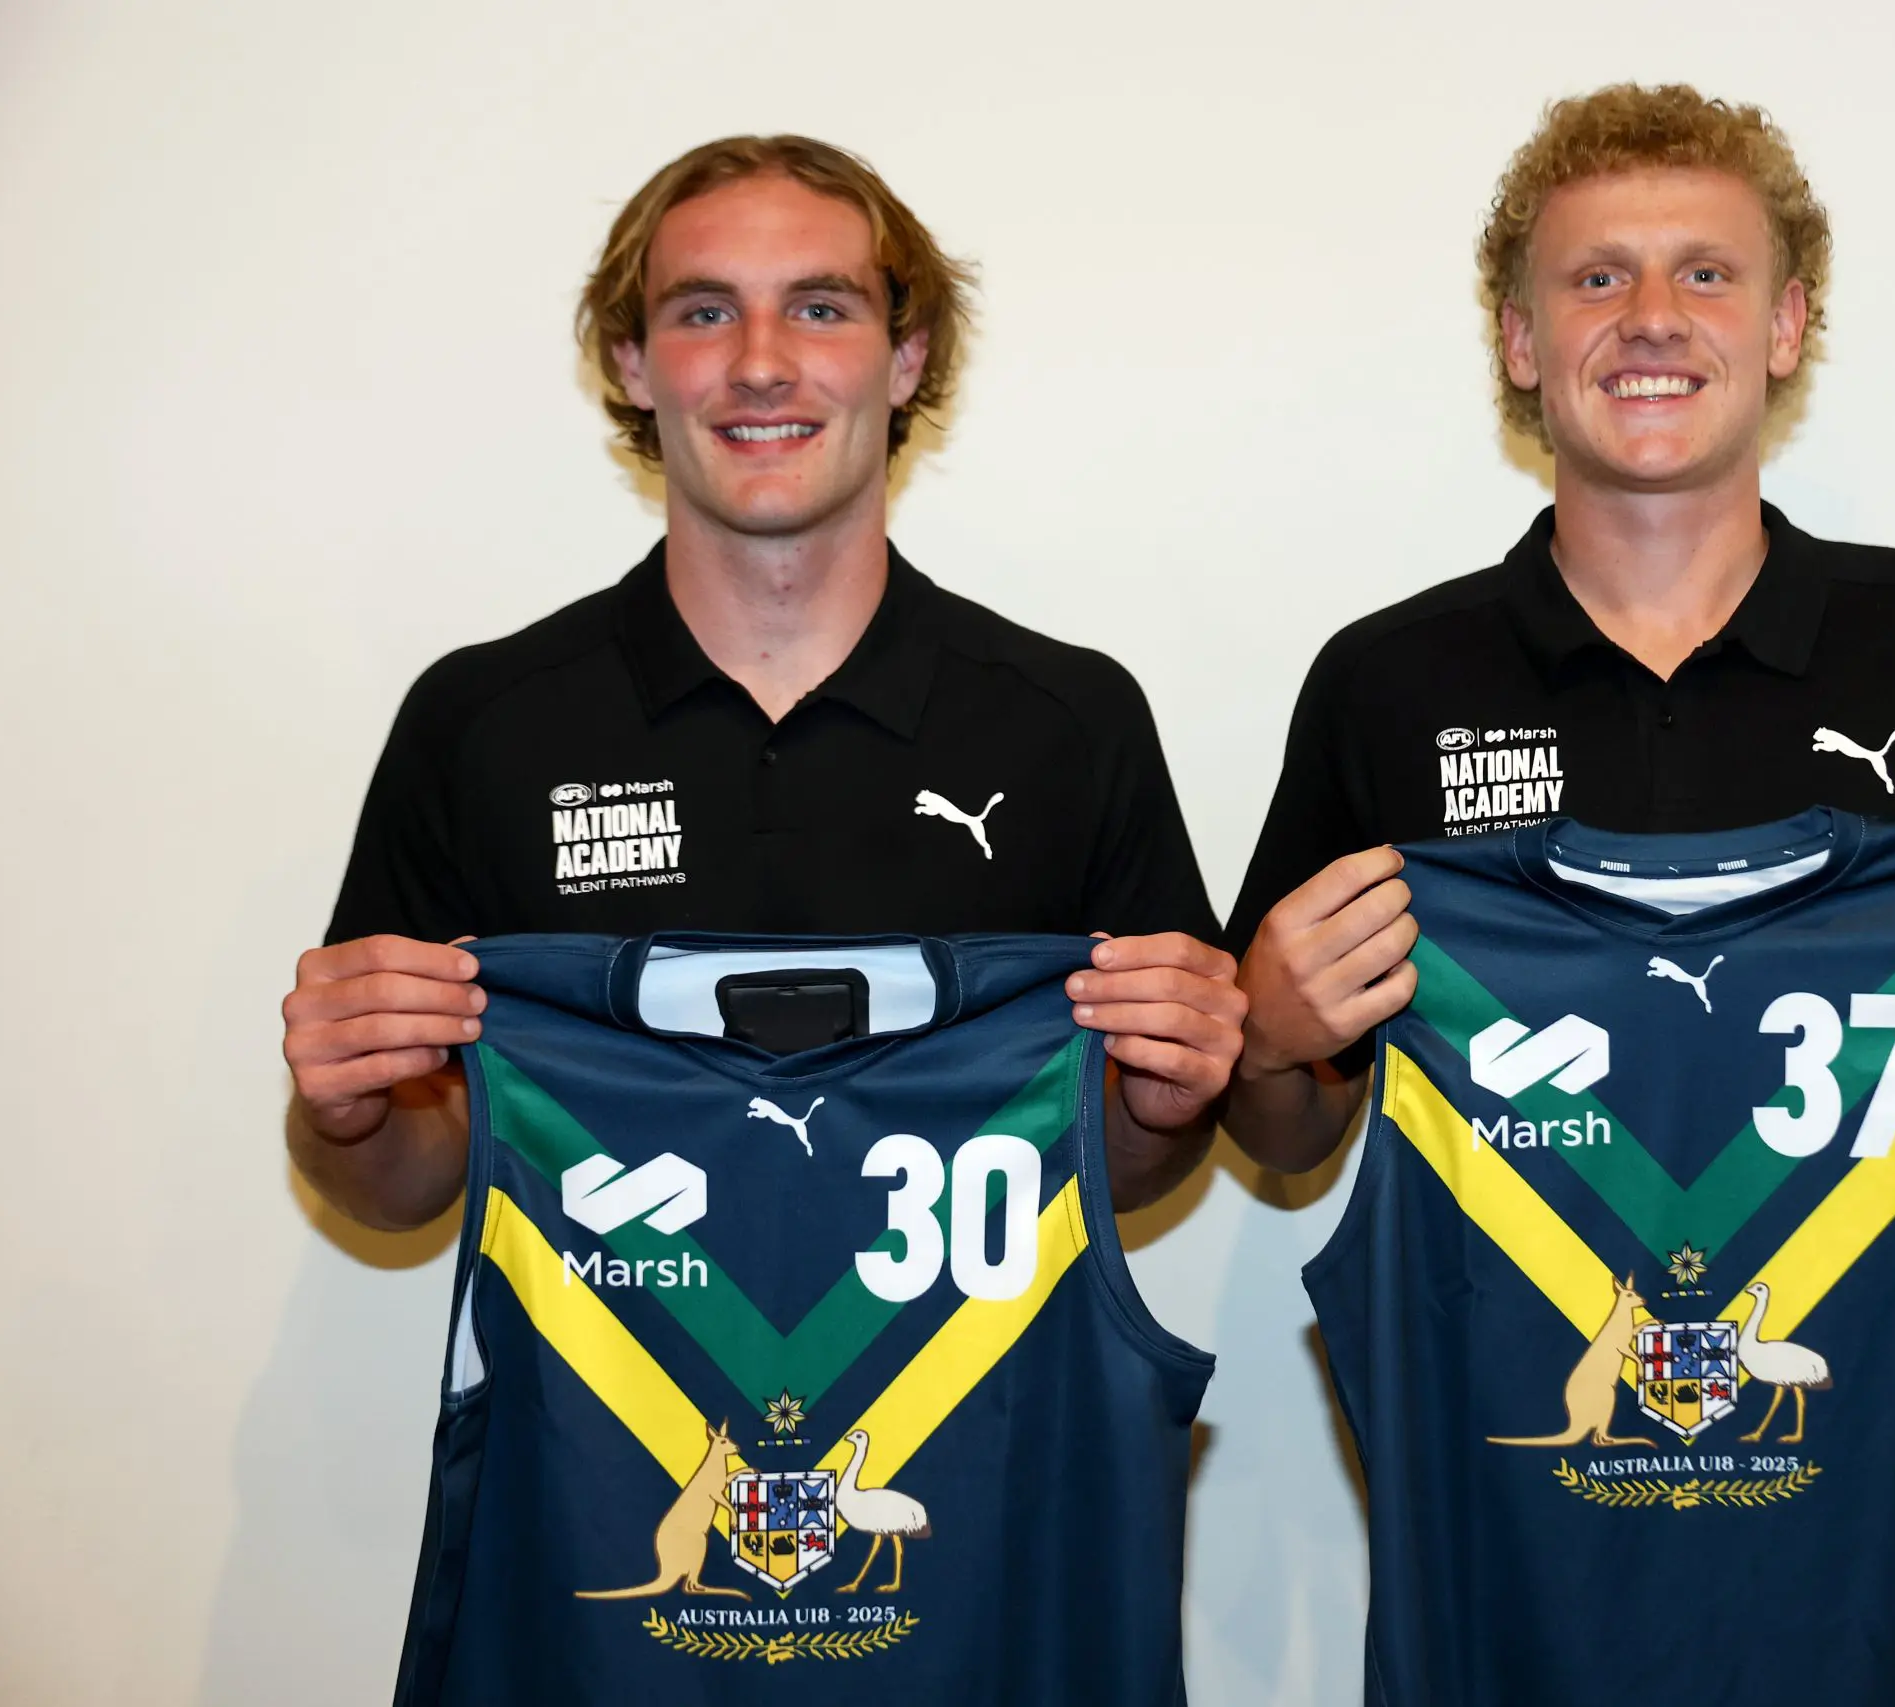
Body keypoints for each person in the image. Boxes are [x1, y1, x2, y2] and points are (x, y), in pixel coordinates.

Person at [1224, 83, 1895, 1170]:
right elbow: (1289, 1142)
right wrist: (1264, 1048)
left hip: (1880, 1343)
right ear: (1521, 342)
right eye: (1598, 277)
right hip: (1499, 1342)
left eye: (1706, 274)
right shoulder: (1386, 681)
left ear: (1783, 326)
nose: (1654, 315)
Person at [282, 134, 1244, 1227]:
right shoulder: (480, 724)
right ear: (633, 363)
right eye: (703, 311)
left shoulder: (1068, 719)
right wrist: (346, 1115)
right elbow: (406, 1186)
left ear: (909, 355)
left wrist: (1161, 1109)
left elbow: (1113, 1168)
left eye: (820, 308)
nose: (760, 362)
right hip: (596, 1399)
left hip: (975, 1398)